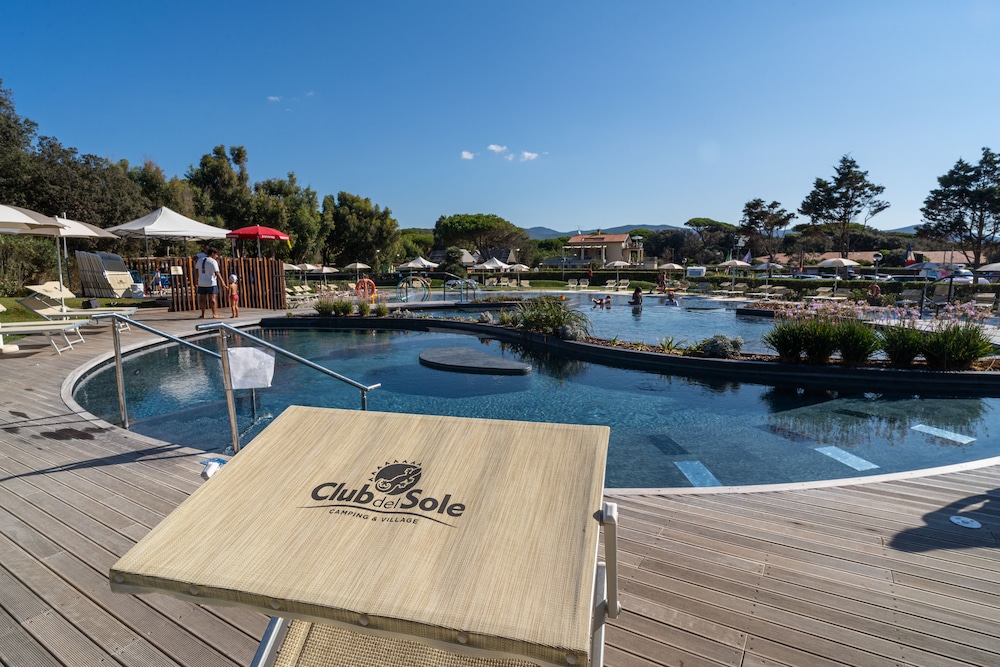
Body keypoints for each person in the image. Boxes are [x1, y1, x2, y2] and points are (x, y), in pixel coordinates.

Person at [196, 247, 225, 319]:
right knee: (212, 299)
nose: (217, 256)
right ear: (212, 253)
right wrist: (222, 282)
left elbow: (196, 271)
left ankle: (203, 314)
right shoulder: (213, 261)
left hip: (201, 282)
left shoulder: (200, 260)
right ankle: (214, 314)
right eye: (216, 254)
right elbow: (217, 273)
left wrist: (196, 280)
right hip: (211, 282)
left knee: (202, 299)